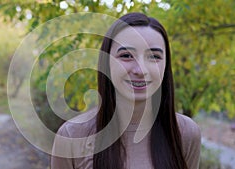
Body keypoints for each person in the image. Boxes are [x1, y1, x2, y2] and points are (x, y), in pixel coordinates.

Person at [51, 12, 201, 169]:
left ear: (166, 66)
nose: (140, 70)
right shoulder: (72, 136)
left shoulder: (186, 134)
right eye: (127, 55)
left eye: (154, 57)